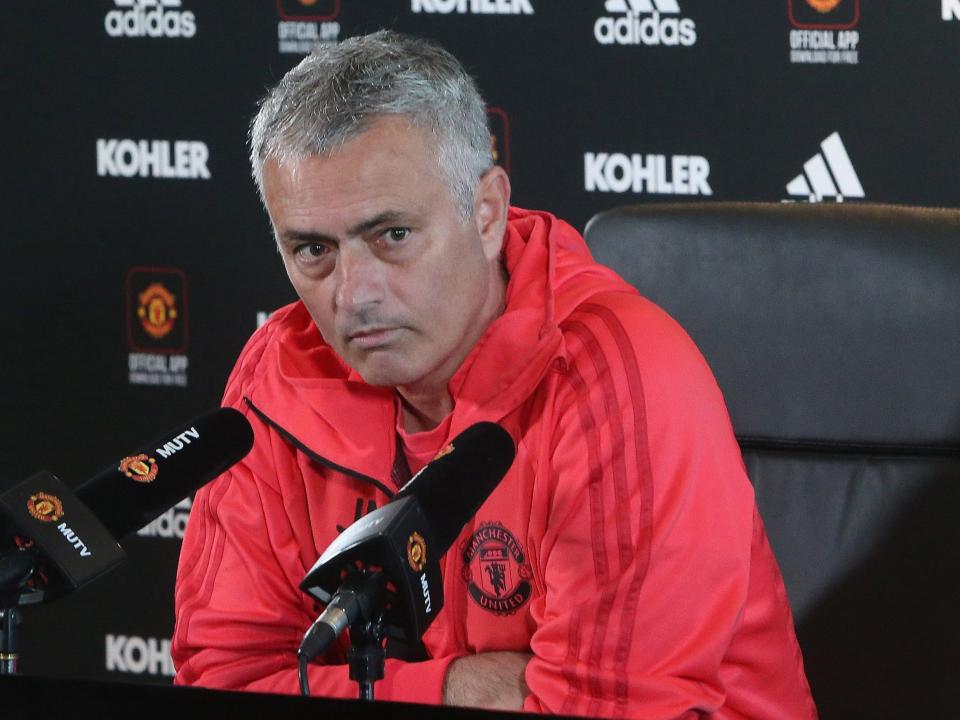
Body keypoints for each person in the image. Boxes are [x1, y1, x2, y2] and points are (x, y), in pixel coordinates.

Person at [172, 30, 817, 718]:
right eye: (313, 250)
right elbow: (222, 681)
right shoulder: (278, 369)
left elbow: (612, 712)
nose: (353, 293)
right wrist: (459, 688)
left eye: (391, 236)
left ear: (486, 212)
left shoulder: (619, 377)